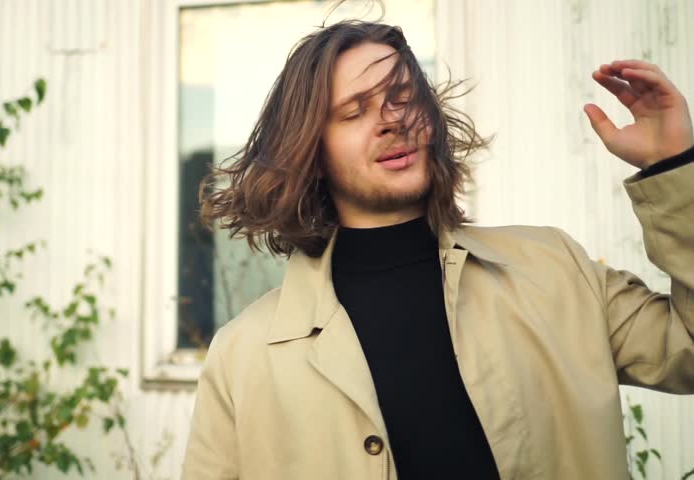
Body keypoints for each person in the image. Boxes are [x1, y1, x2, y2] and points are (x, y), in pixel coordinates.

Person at [181, 17, 694, 480]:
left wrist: (674, 168)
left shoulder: (555, 267)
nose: (391, 119)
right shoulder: (242, 356)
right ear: (309, 152)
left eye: (402, 95)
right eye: (354, 111)